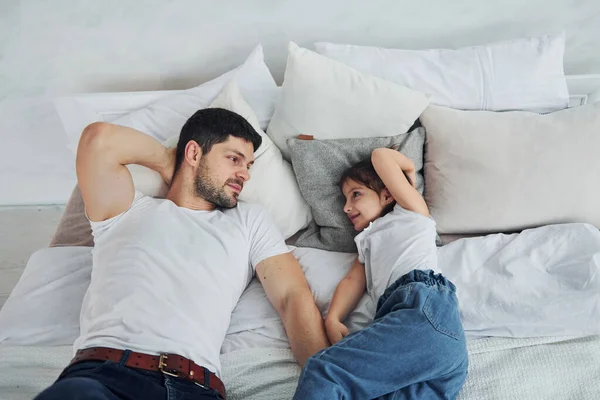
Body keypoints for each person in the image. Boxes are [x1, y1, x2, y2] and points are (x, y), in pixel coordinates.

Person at [35, 108, 329, 400]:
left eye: (249, 165)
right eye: (234, 159)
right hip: (105, 374)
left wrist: (329, 383)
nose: (245, 174)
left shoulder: (249, 220)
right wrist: (167, 161)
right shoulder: (124, 211)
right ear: (193, 153)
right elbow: (98, 139)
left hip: (196, 387)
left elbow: (292, 297)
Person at [293, 148, 468, 400]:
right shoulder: (366, 241)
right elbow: (352, 281)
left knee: (324, 370)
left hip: (421, 310)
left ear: (387, 195)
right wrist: (333, 318)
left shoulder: (410, 213)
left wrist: (408, 172)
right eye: (345, 200)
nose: (346, 207)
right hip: (436, 354)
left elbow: (380, 157)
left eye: (355, 195)